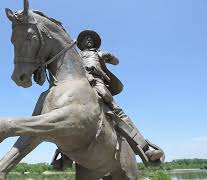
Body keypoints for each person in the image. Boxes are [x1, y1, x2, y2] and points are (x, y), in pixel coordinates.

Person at [51, 30, 164, 168]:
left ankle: (145, 149)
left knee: (117, 110)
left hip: (97, 82)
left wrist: (110, 57)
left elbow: (116, 61)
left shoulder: (99, 53)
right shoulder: (75, 55)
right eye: (86, 39)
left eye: (91, 39)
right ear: (80, 43)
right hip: (78, 83)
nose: (88, 40)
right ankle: (64, 156)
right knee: (62, 111)